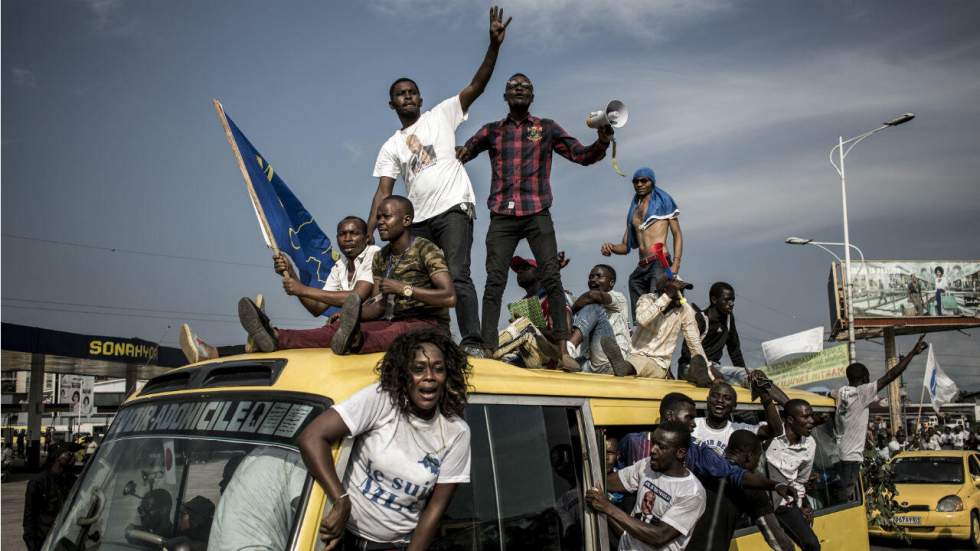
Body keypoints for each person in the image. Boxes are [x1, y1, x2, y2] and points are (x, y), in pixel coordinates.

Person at [368, 7, 512, 356]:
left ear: (420, 98)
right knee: (416, 279)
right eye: (401, 94)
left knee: (457, 273)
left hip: (453, 207)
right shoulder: (391, 145)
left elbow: (477, 84)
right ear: (392, 103)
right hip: (417, 219)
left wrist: (493, 46)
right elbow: (384, 192)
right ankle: (431, 337)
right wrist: (371, 226)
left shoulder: (442, 115)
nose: (408, 96)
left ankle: (473, 341)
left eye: (413, 92)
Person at [458, 72, 613, 362]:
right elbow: (462, 153)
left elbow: (581, 154)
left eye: (525, 87)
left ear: (532, 96)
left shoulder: (546, 128)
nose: (519, 90)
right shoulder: (492, 131)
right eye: (513, 87)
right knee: (495, 280)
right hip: (502, 215)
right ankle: (488, 347)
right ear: (505, 96)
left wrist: (602, 141)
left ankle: (563, 349)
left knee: (552, 277)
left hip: (537, 211)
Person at [297, 329, 472, 549]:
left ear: (448, 376)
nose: (429, 376)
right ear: (404, 374)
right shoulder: (381, 399)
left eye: (438, 369)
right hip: (340, 537)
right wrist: (341, 501)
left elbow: (434, 511)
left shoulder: (456, 432)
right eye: (418, 369)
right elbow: (312, 437)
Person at [239, 196, 456, 355]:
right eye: (378, 217)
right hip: (392, 320)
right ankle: (276, 337)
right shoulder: (382, 257)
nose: (380, 222)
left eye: (386, 217)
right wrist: (353, 315)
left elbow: (449, 297)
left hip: (429, 324)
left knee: (394, 331)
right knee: (333, 330)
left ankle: (355, 341)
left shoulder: (425, 249)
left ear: (407, 221)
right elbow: (379, 307)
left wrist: (404, 289)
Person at [585, 420, 706, 551]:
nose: (652, 450)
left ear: (680, 453)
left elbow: (659, 536)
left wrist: (608, 507)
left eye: (661, 446)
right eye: (653, 443)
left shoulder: (692, 493)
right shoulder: (647, 465)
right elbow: (608, 482)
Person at [832, 334, 927, 498]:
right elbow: (891, 375)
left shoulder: (840, 392)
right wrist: (913, 353)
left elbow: (829, 395)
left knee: (844, 493)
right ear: (864, 378)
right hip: (851, 457)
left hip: (838, 453)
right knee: (847, 498)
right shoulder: (862, 392)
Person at [686, 431, 796, 551]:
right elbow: (777, 540)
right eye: (758, 458)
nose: (756, 466)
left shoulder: (701, 470)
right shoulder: (753, 489)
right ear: (749, 457)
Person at [600, 167, 683, 314]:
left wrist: (676, 264)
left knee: (656, 311)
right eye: (636, 181)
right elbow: (626, 247)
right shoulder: (634, 211)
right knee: (640, 312)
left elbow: (677, 234)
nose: (639, 184)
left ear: (652, 182)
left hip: (659, 261)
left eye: (644, 181)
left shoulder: (663, 202)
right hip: (642, 266)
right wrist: (611, 247)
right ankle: (639, 332)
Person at [604, 276, 710, 383]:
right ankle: (622, 367)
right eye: (677, 292)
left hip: (659, 363)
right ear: (664, 292)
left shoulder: (685, 310)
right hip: (634, 355)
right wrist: (666, 298)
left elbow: (694, 343)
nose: (681, 296)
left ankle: (623, 367)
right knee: (635, 362)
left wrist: (708, 372)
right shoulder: (646, 299)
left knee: (643, 363)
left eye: (682, 291)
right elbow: (642, 320)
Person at [275, 216, 380, 317]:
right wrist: (291, 273)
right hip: (355, 323)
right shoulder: (339, 267)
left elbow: (355, 297)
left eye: (354, 233)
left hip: (378, 323)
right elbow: (317, 308)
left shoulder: (374, 254)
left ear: (366, 238)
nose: (347, 238)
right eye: (342, 234)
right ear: (337, 238)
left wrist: (302, 289)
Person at [494, 255, 576, 370]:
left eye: (526, 268)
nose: (520, 271)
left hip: (553, 357)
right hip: (531, 356)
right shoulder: (523, 303)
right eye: (518, 270)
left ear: (539, 273)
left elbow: (566, 334)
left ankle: (486, 350)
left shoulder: (555, 296)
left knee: (525, 325)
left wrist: (532, 325)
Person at [766, 399, 820, 551]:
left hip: (784, 504)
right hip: (761, 501)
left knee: (812, 545)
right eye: (806, 417)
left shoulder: (810, 444)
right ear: (790, 420)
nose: (811, 421)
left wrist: (800, 506)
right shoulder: (771, 436)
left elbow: (800, 480)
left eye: (812, 416)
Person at [568, 264, 632, 375]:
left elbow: (592, 296)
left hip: (611, 363)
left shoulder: (618, 298)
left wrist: (571, 311)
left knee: (594, 307)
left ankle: (568, 348)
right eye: (591, 277)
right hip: (589, 363)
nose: (593, 280)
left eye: (599, 276)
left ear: (611, 283)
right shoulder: (585, 307)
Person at [679, 282, 747, 385]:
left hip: (715, 367)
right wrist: (707, 366)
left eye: (733, 300)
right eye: (727, 300)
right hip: (692, 366)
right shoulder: (701, 319)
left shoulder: (729, 319)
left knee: (749, 375)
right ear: (714, 300)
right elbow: (686, 352)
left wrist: (744, 374)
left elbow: (734, 350)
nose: (731, 303)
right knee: (716, 379)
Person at [692, 380, 783, 457]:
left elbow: (776, 431)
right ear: (708, 400)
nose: (720, 400)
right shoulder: (692, 426)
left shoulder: (740, 431)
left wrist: (764, 395)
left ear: (734, 406)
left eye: (727, 398)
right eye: (715, 396)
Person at [23, 441, 83, 551]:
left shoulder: (73, 481)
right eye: (69, 454)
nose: (73, 458)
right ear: (57, 456)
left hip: (68, 540)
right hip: (45, 541)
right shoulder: (38, 483)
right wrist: (32, 545)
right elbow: (29, 517)